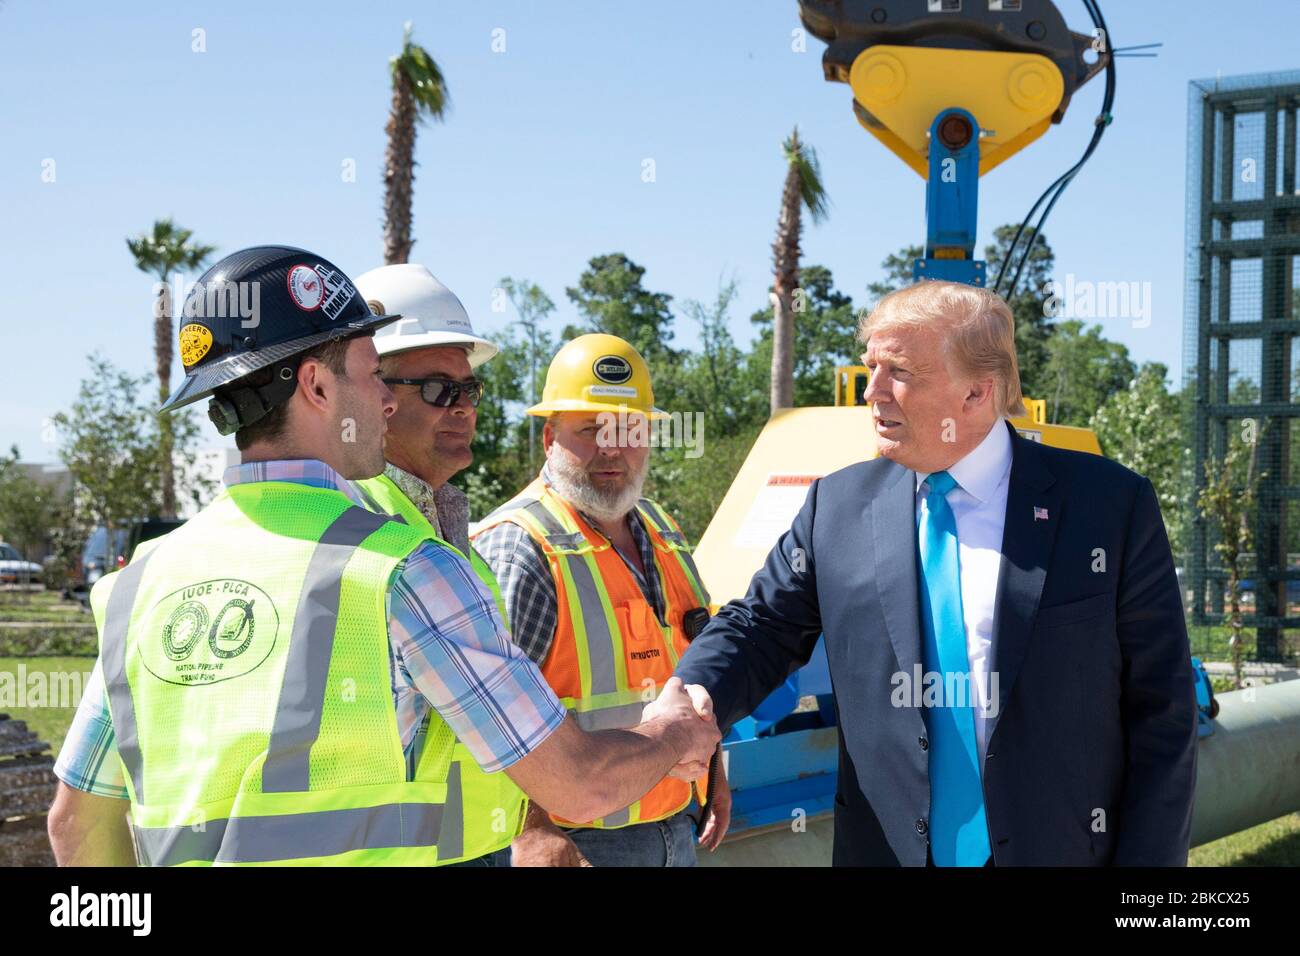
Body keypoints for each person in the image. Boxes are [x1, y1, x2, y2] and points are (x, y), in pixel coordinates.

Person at [46, 247, 719, 866]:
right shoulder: (401, 569)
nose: (384, 400)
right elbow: (573, 779)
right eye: (374, 375)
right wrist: (666, 734)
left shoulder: (138, 583)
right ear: (316, 386)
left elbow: (75, 825)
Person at [672, 280, 1198, 866]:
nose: (872, 392)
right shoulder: (836, 506)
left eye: (898, 371)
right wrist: (692, 696)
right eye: (870, 366)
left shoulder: (1107, 506)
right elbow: (761, 626)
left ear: (977, 391)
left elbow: (1162, 710)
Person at [474, 333, 730, 867]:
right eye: (590, 430)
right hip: (579, 843)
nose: (612, 447)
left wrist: (714, 773)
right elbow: (482, 712)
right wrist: (533, 832)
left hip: (674, 828)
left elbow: (688, 668)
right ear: (549, 438)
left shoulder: (662, 528)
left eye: (630, 428)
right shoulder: (521, 545)